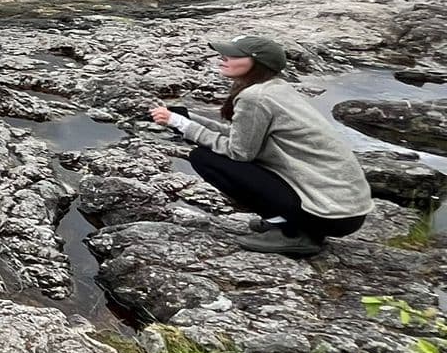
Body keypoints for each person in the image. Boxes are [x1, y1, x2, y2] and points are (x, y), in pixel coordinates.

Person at [149, 34, 373, 257]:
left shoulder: (254, 97)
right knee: (213, 154)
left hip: (329, 213)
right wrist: (188, 120)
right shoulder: (275, 88)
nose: (223, 58)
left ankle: (291, 233)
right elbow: (242, 137)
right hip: (345, 211)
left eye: (235, 55)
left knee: (204, 158)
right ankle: (288, 223)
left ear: (257, 62)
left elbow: (239, 152)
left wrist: (181, 124)